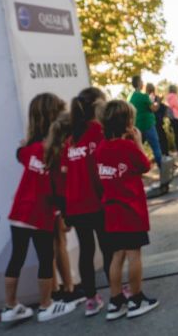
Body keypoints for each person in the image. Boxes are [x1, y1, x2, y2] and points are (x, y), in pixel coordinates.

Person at [2, 93, 76, 324]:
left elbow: (19, 155)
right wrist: (67, 214)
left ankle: (10, 306)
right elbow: (61, 189)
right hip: (42, 213)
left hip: (20, 212)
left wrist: (24, 146)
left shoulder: (31, 149)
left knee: (17, 258)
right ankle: (46, 305)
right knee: (46, 257)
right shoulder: (58, 152)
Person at [95, 100, 159, 319]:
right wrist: (138, 142)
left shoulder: (101, 148)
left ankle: (115, 301)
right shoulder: (127, 146)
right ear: (128, 121)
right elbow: (144, 166)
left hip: (111, 211)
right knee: (134, 255)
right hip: (130, 210)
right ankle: (136, 298)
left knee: (116, 257)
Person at [62, 87, 110, 317]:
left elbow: (65, 174)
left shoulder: (71, 139)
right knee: (108, 247)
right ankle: (118, 292)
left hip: (77, 205)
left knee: (86, 250)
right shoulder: (98, 131)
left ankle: (91, 298)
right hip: (96, 202)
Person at [44, 113, 80, 307]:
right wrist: (65, 212)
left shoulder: (51, 150)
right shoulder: (62, 152)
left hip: (50, 203)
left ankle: (57, 288)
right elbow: (60, 185)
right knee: (59, 243)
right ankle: (67, 288)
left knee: (53, 246)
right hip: (56, 205)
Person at [129, 75, 167, 194]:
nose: (143, 83)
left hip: (137, 127)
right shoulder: (143, 96)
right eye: (141, 81)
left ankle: (138, 174)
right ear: (139, 83)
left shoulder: (131, 97)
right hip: (148, 125)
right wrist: (158, 102)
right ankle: (163, 174)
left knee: (137, 151)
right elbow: (154, 108)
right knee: (156, 149)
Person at [149, 83, 171, 159]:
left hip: (155, 121)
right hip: (156, 121)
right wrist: (159, 101)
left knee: (161, 140)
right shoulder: (151, 98)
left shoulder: (151, 97)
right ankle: (164, 158)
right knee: (161, 140)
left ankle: (164, 157)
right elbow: (155, 108)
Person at [165, 84, 178, 157]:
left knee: (175, 133)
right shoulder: (174, 96)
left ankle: (177, 149)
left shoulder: (168, 97)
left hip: (171, 117)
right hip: (176, 116)